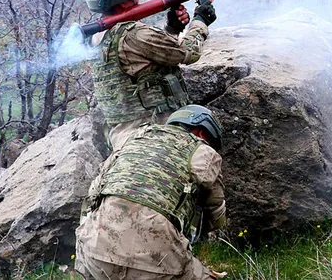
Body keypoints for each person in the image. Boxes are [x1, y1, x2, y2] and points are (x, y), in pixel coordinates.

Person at [76, 104, 228, 280]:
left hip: (93, 254)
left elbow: (93, 194)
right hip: (157, 264)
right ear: (202, 133)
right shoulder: (204, 152)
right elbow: (215, 217)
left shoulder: (134, 138)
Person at [83, 0, 218, 151]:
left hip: (124, 136)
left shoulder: (96, 38)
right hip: (156, 132)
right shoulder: (133, 33)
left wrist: (172, 29)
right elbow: (188, 53)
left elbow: (145, 59)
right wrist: (201, 20)